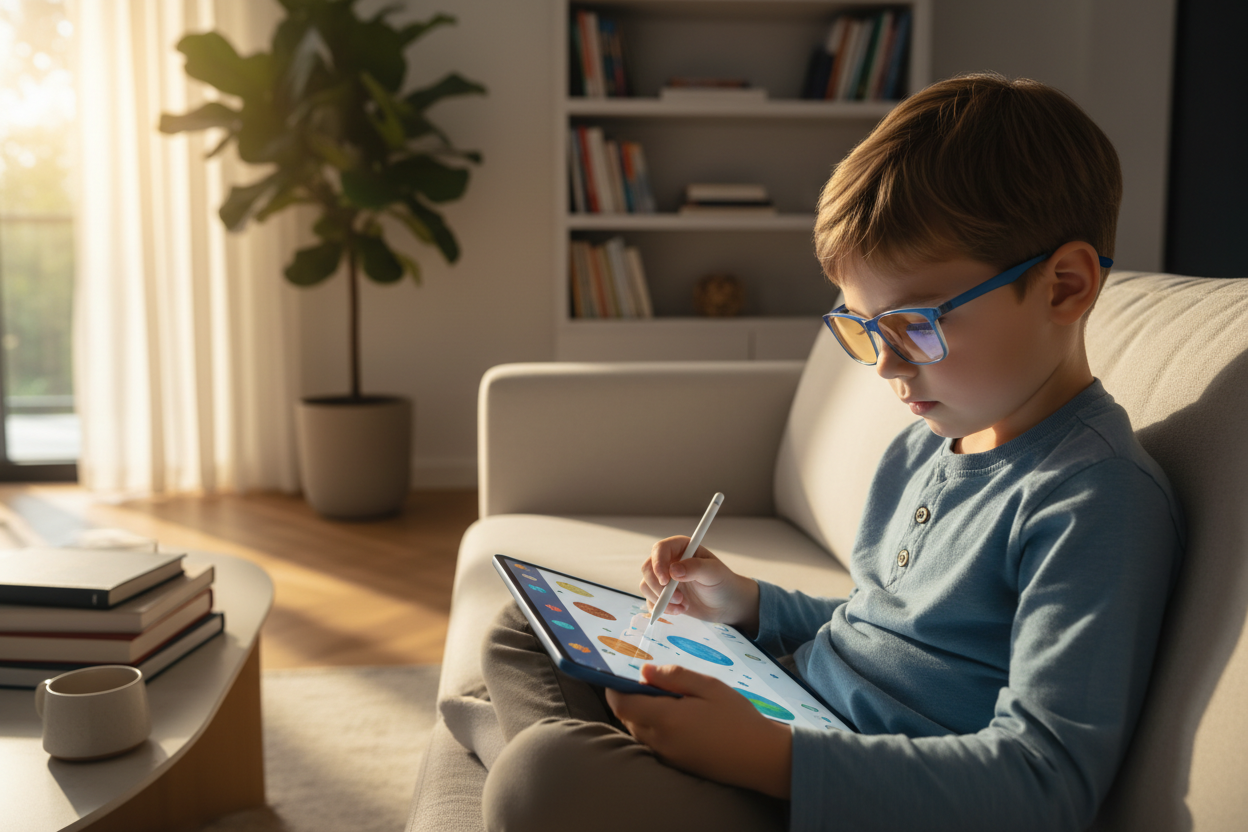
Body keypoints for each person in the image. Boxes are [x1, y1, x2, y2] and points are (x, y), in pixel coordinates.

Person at [457, 73, 1184, 832]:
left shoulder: (1096, 499)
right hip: (789, 709)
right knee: (526, 624)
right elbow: (875, 627)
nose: (886, 366)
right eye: (866, 328)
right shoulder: (926, 446)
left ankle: (535, 760)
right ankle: (568, 761)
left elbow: (1046, 781)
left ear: (1064, 286)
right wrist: (747, 606)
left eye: (916, 326)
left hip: (846, 792)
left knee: (541, 778)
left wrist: (767, 758)